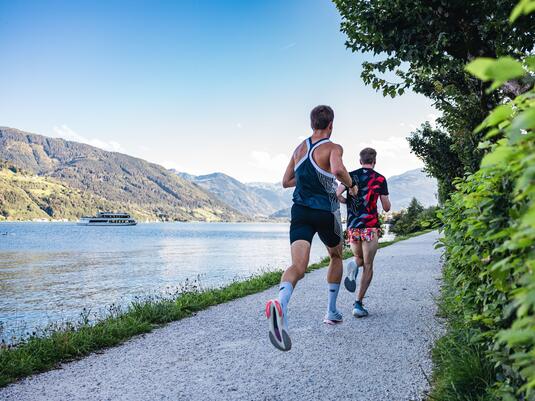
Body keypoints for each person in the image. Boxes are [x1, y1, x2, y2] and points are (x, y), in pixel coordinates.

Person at [265, 105, 358, 352]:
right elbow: (338, 170)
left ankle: (281, 303)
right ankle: (331, 311)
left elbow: (286, 182)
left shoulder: (298, 149)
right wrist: (351, 184)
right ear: (331, 125)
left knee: (298, 266)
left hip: (300, 212)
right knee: (336, 256)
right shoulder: (332, 148)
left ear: (311, 123)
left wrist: (309, 179)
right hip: (325, 212)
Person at [336, 147, 391, 317]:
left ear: (360, 161)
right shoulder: (380, 179)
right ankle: (358, 305)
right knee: (368, 265)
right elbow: (387, 207)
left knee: (358, 258)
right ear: (374, 161)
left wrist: (349, 203)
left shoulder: (350, 176)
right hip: (370, 226)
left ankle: (353, 265)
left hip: (353, 226)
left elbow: (337, 194)